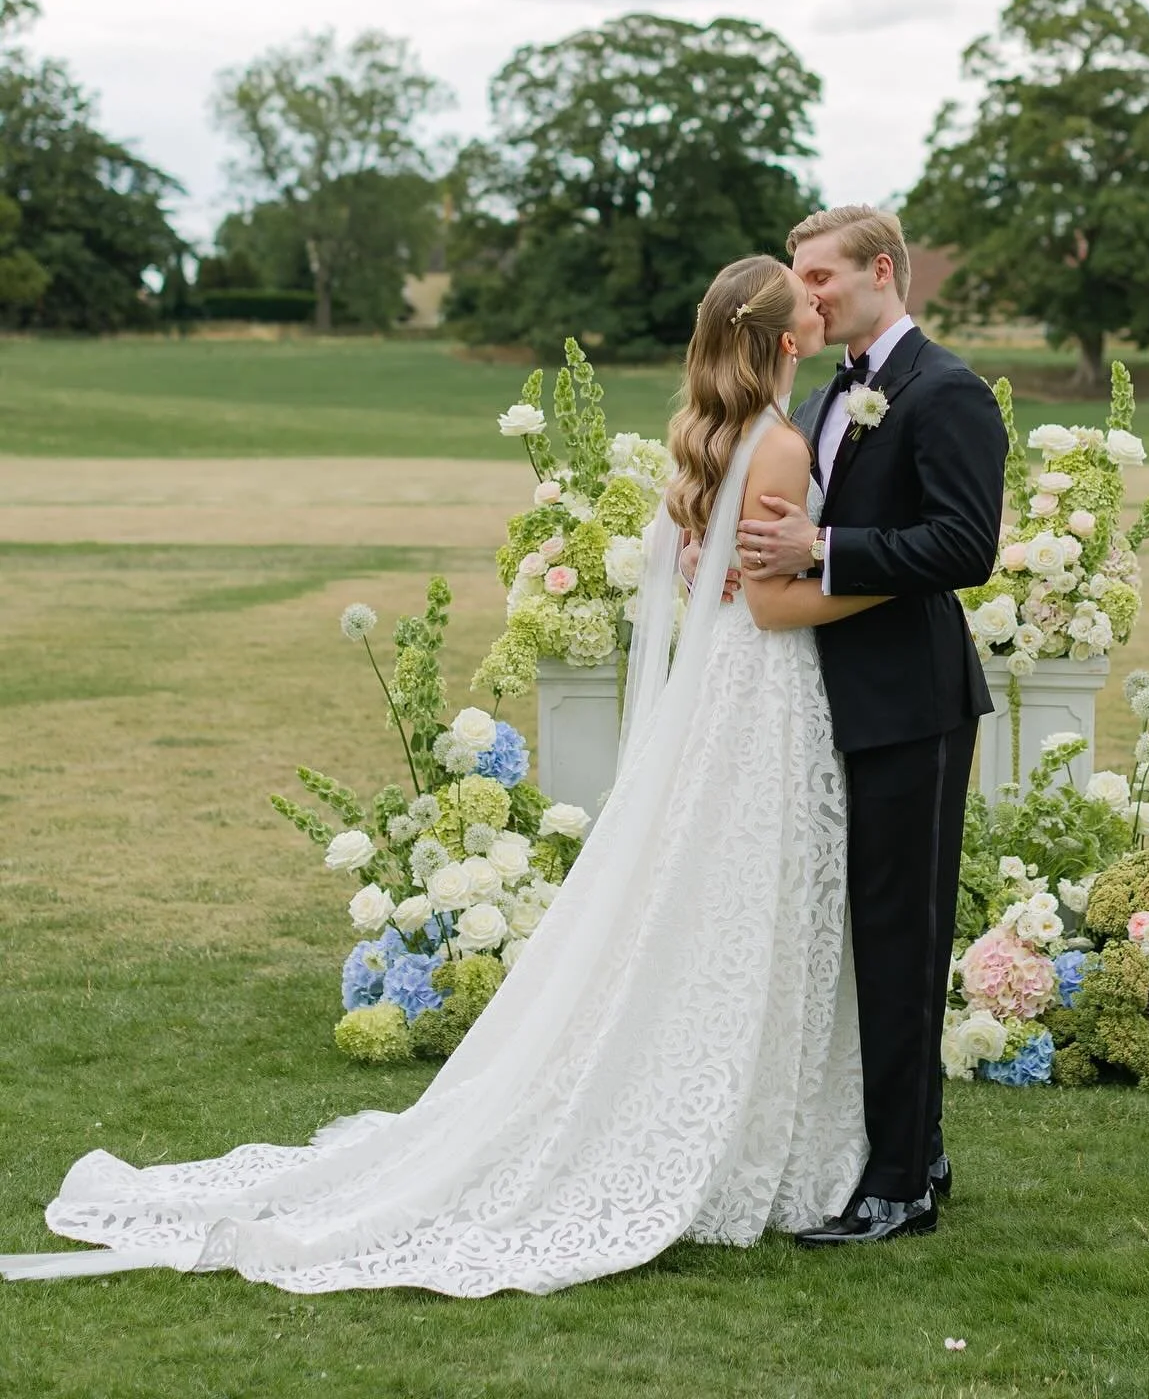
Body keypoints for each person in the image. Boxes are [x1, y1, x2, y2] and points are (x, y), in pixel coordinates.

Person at [1, 254, 891, 1295]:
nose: (821, 309)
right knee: (748, 901)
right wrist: (901, 582)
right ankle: (743, 1138)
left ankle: (744, 1116)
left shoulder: (719, 438)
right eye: (807, 303)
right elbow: (778, 605)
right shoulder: (779, 444)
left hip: (729, 698)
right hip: (762, 694)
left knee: (727, 903)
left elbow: (718, 576)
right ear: (785, 341)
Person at [736, 205, 1007, 1245]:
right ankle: (916, 1150)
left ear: (881, 270)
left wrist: (823, 550)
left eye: (820, 277)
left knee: (901, 937)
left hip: (915, 706)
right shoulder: (824, 395)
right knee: (858, 936)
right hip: (830, 700)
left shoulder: (949, 393)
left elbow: (964, 545)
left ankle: (897, 1185)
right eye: (798, 279)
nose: (804, 296)